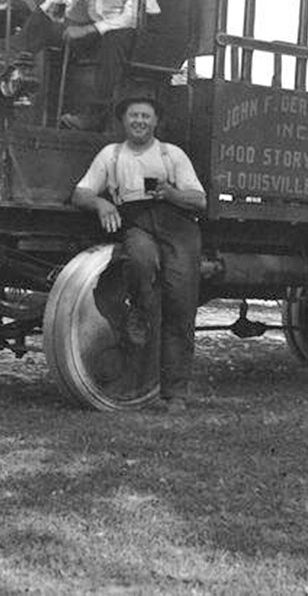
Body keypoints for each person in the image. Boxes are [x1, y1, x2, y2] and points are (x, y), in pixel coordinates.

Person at [71, 91, 205, 412]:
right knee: (140, 260)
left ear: (156, 121)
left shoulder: (172, 155)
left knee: (181, 304)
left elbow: (199, 200)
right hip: (138, 224)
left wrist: (171, 193)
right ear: (124, 121)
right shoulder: (111, 155)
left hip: (178, 228)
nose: (139, 122)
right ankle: (140, 313)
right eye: (134, 116)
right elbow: (80, 192)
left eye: (146, 116)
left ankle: (175, 394)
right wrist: (101, 202)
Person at [12, 0, 160, 131]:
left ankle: (96, 115)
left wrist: (87, 29)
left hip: (138, 36)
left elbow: (132, 16)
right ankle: (9, 63)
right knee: (45, 19)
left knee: (114, 38)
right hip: (98, 32)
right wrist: (48, 18)